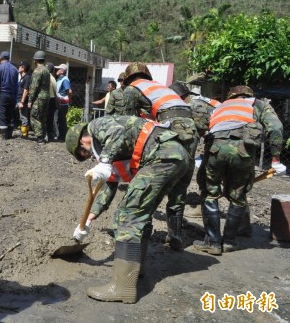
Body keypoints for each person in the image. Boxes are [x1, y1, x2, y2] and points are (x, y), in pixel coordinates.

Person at [65, 115, 190, 304]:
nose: (88, 156)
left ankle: (122, 288)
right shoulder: (115, 151)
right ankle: (136, 269)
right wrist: (88, 220)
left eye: (82, 153)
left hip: (161, 156)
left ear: (82, 139)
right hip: (174, 157)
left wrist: (104, 161)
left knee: (127, 217)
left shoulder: (97, 126)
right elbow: (109, 187)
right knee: (142, 213)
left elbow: (118, 132)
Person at [193, 85, 285, 255]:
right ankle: (228, 241)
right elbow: (276, 128)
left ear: (231, 96)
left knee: (210, 193)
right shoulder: (258, 104)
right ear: (249, 95)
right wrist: (276, 158)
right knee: (238, 196)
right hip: (243, 152)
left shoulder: (221, 106)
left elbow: (201, 127)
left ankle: (212, 242)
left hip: (215, 150)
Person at [121, 63, 199, 251]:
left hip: (172, 129)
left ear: (129, 78)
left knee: (155, 180)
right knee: (180, 180)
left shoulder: (132, 89)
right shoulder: (160, 88)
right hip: (191, 130)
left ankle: (139, 232)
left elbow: (128, 122)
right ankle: (175, 235)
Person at [169, 81, 219, 218]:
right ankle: (204, 208)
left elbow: (199, 130)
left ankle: (204, 210)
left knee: (206, 177)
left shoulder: (193, 105)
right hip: (224, 137)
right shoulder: (195, 102)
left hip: (224, 139)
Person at [0, 51, 19, 139]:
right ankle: (10, 134)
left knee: (2, 115)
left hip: (3, 94)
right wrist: (16, 98)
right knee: (10, 115)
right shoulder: (15, 69)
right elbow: (17, 86)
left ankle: (4, 136)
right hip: (12, 96)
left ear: (1, 58)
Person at [28, 51, 51, 144]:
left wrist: (30, 100)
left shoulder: (37, 70)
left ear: (35, 60)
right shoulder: (46, 70)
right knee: (43, 117)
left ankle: (40, 137)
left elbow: (34, 86)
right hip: (46, 96)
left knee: (34, 116)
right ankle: (44, 136)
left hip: (39, 97)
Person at [55, 63, 72, 141]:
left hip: (63, 103)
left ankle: (62, 136)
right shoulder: (60, 79)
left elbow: (69, 91)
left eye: (58, 69)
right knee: (59, 119)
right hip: (60, 102)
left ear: (62, 71)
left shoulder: (65, 79)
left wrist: (68, 100)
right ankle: (60, 135)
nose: (56, 70)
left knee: (61, 120)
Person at [17, 61, 32, 138]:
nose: (18, 67)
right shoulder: (22, 78)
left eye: (20, 66)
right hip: (19, 100)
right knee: (21, 116)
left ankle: (24, 135)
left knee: (24, 117)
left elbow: (26, 91)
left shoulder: (27, 78)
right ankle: (24, 133)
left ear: (23, 68)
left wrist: (22, 102)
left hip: (23, 101)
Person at [45, 62, 59, 141]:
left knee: (44, 117)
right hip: (52, 99)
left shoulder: (44, 76)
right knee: (50, 118)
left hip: (45, 99)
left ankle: (45, 134)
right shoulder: (52, 78)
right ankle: (50, 134)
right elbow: (55, 90)